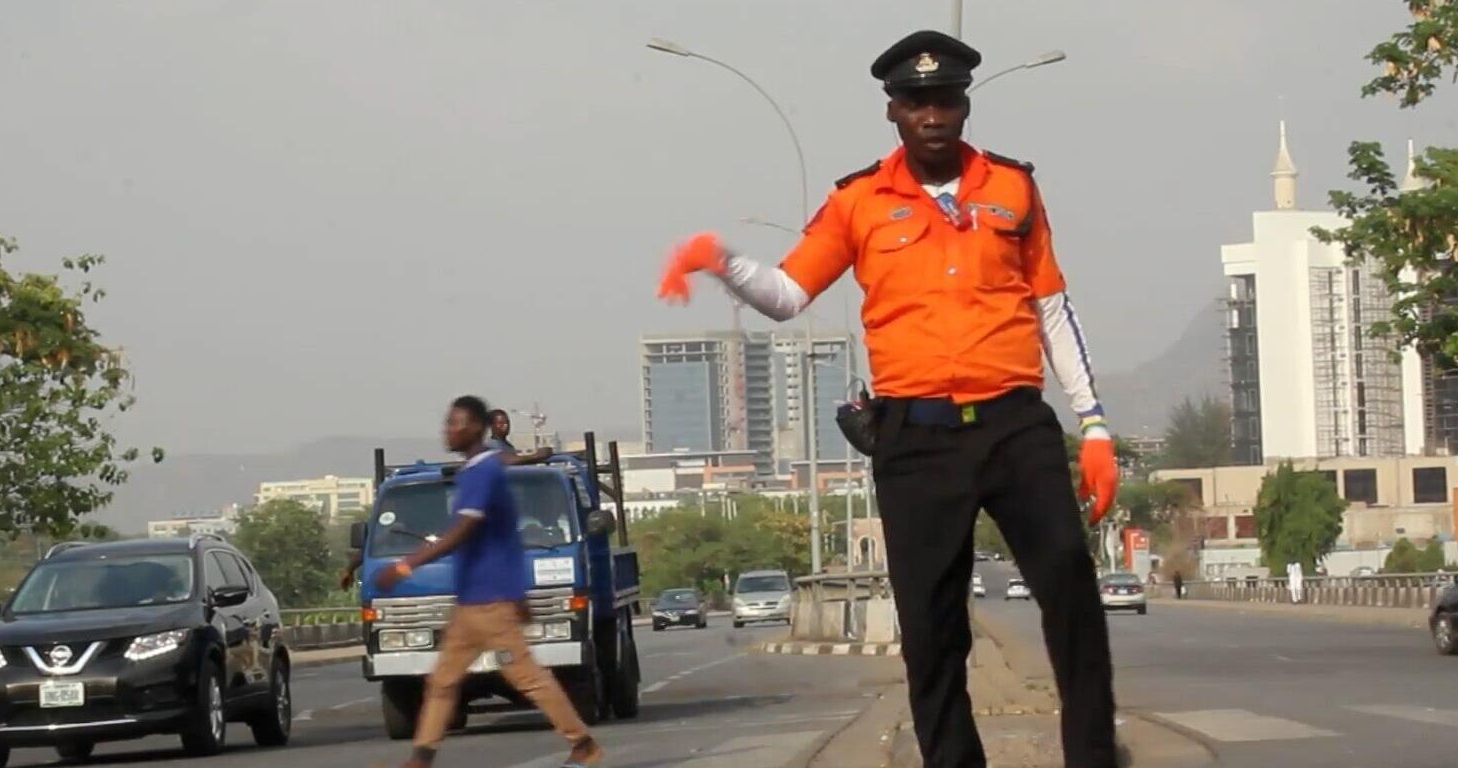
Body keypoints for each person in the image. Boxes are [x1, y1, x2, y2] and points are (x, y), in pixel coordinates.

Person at [655, 30, 1121, 768]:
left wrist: (1093, 427)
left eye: (945, 99)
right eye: (915, 102)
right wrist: (719, 261)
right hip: (916, 440)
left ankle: (1093, 757)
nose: (932, 114)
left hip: (1014, 424)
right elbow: (786, 294)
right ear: (892, 112)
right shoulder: (858, 202)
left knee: (1069, 581)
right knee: (932, 631)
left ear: (964, 105)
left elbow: (1053, 308)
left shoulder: (1012, 187)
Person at [374, 396, 602, 768]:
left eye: (457, 423)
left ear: (477, 429)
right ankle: (421, 756)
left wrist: (404, 566)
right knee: (443, 682)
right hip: (471, 605)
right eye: (448, 422)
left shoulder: (483, 472)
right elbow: (505, 537)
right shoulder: (476, 472)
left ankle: (583, 743)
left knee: (527, 678)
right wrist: (521, 592)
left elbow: (462, 530)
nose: (448, 430)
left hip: (492, 604)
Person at [486, 408, 555, 466]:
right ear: (491, 425)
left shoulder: (508, 446)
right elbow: (506, 460)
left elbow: (518, 462)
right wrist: (536, 455)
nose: (505, 426)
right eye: (501, 423)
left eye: (507, 422)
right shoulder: (491, 445)